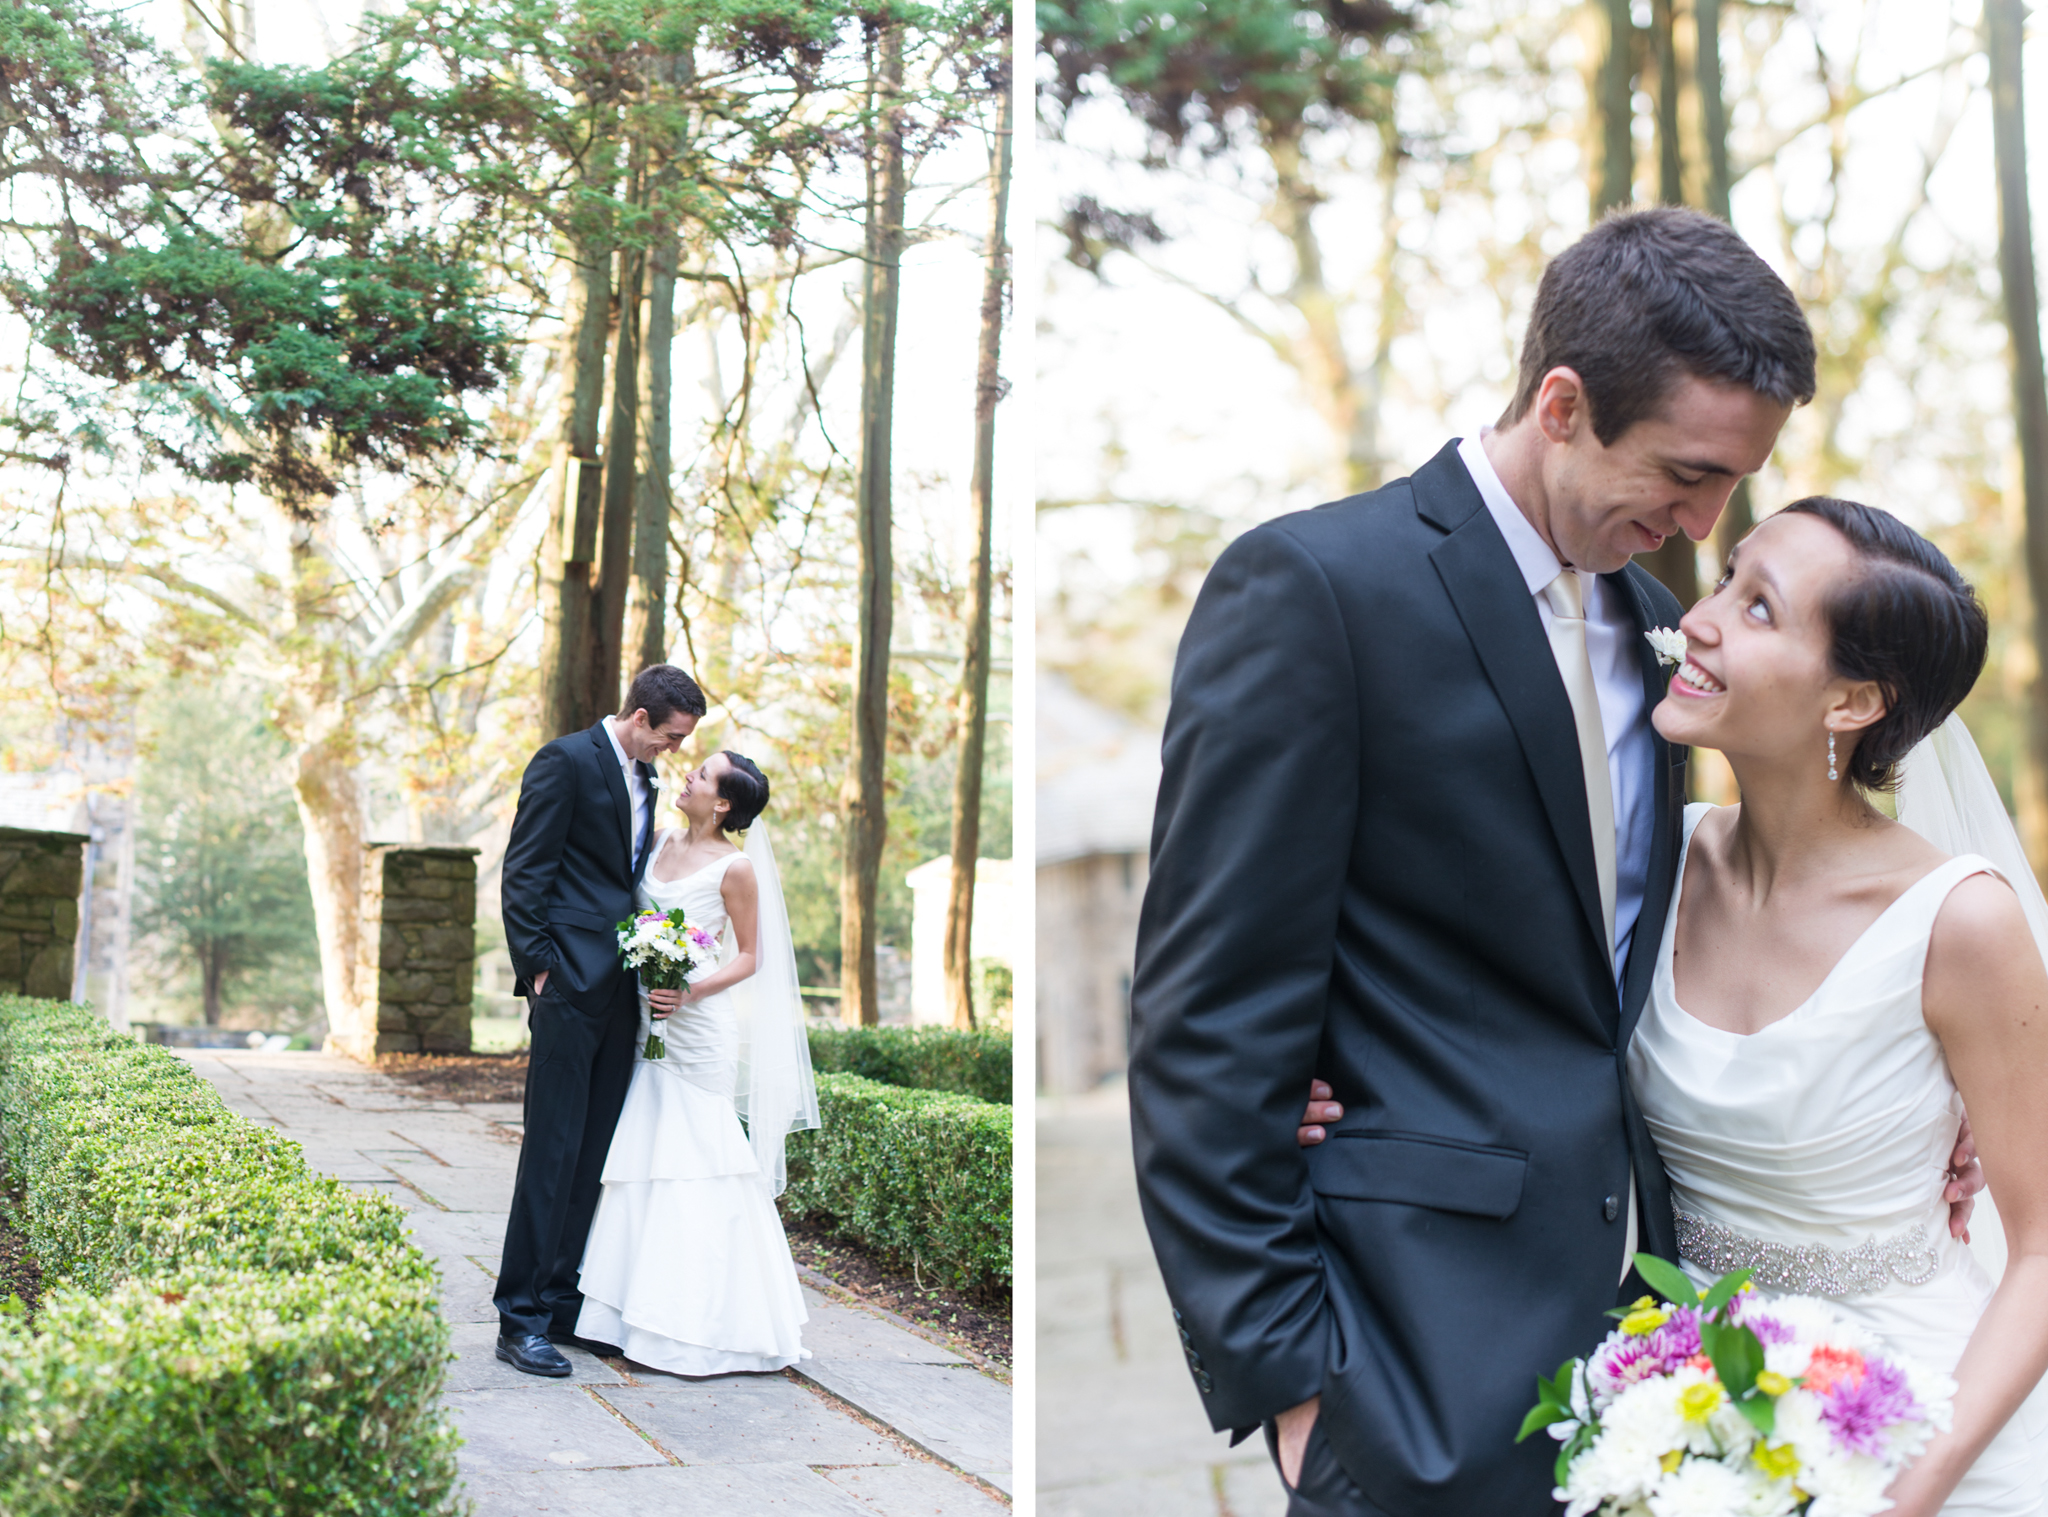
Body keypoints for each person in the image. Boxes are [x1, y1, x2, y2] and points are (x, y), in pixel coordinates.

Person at [1126, 205, 1839, 1515]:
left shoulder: (1662, 629)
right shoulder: (1316, 591)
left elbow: (1672, 931)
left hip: (1648, 1348)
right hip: (1404, 1366)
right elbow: (1205, 1020)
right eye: (1685, 473)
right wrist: (1296, 1389)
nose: (1701, 522)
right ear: (1563, 404)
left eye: (1733, 482)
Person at [1629, 498, 2048, 1514]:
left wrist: (1909, 1492)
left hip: (1927, 1436)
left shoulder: (1955, 922)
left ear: (1850, 700)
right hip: (1698, 1425)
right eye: (1727, 576)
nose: (1700, 616)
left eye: (1758, 607)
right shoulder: (1649, 858)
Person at [573, 749, 820, 1373]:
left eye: (702, 774)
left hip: (697, 1028)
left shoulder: (736, 869)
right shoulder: (655, 841)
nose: (687, 775)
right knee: (644, 1156)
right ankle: (623, 1310)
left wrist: (689, 990)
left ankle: (700, 1319)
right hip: (644, 1021)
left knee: (695, 1159)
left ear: (724, 802)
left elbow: (749, 957)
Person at [493, 665, 705, 1378]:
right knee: (550, 1151)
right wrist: (540, 967)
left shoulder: (644, 781)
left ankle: (559, 1304)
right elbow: (525, 870)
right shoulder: (566, 760)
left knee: (592, 1155)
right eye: (671, 737)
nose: (674, 752)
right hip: (567, 984)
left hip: (623, 992)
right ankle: (517, 1317)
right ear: (642, 718)